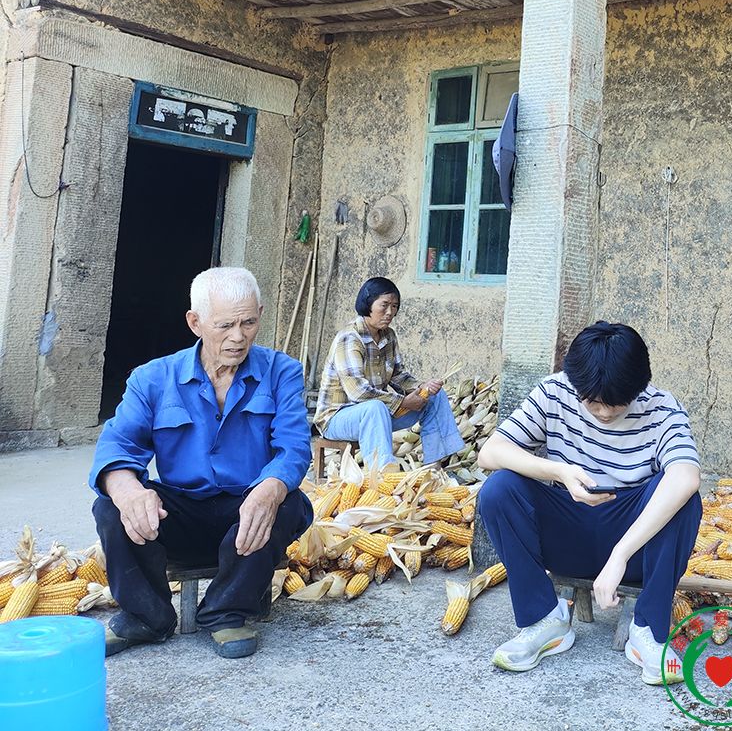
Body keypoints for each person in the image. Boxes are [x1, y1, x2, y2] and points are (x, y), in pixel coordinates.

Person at [89, 267, 312, 659]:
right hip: (182, 512)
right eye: (225, 325)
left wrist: (270, 488)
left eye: (249, 322)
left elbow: (293, 447)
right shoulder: (152, 378)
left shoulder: (282, 372)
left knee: (288, 502)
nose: (238, 337)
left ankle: (226, 612)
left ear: (260, 314)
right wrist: (128, 492)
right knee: (110, 506)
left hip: (246, 510)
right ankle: (146, 617)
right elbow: (118, 445)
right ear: (195, 323)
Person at [478, 321, 701, 686]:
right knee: (498, 489)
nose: (604, 413)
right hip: (567, 535)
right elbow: (491, 452)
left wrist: (620, 554)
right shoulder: (555, 393)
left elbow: (686, 476)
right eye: (592, 402)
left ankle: (648, 632)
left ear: (639, 386)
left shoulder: (662, 409)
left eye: (616, 403)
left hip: (635, 548)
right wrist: (559, 471)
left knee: (683, 498)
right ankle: (544, 621)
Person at [314, 277, 464, 470]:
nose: (390, 312)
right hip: (337, 418)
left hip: (379, 412)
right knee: (374, 407)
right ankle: (383, 474)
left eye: (394, 306)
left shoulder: (389, 336)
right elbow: (358, 392)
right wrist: (403, 402)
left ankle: (435, 467)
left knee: (434, 396)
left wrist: (422, 387)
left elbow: (398, 375)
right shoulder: (350, 338)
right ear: (368, 303)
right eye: (384, 305)